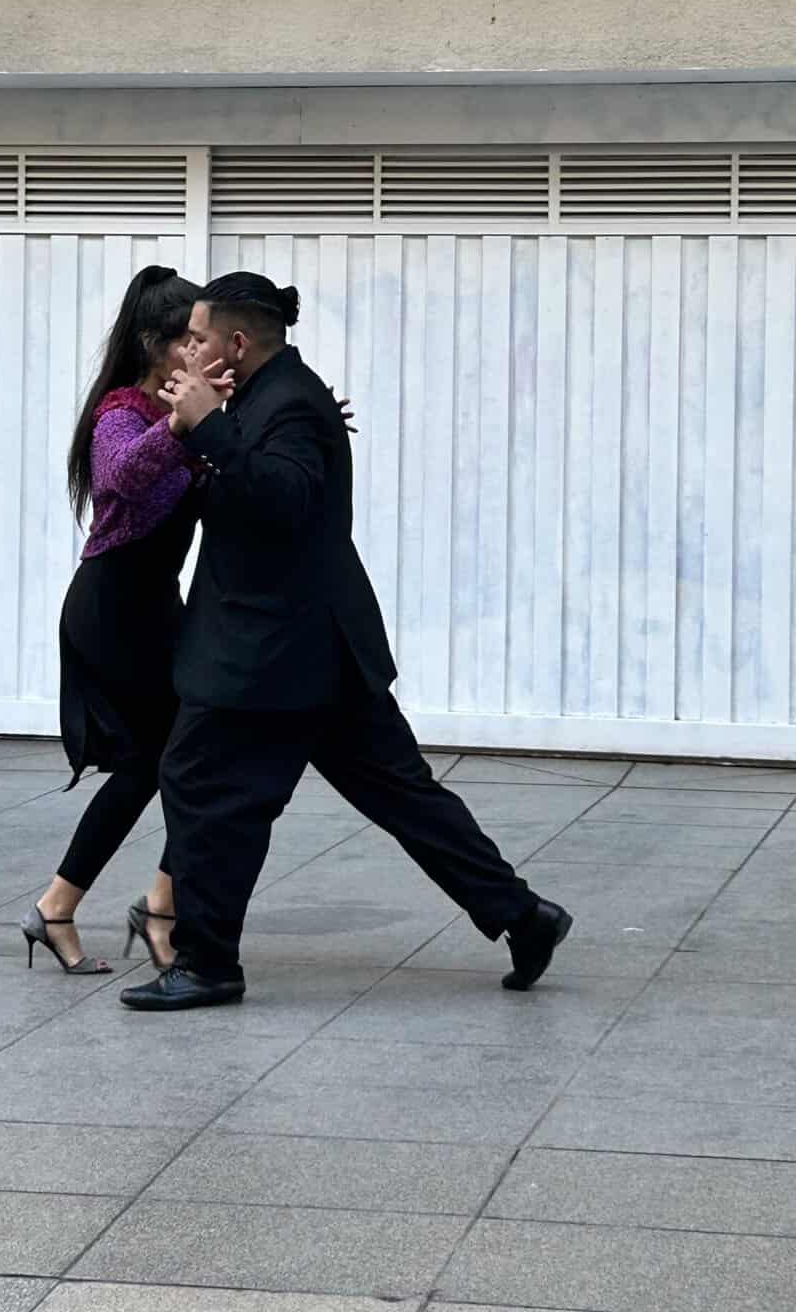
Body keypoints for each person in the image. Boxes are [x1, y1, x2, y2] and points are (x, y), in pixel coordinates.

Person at [120, 270, 572, 1012]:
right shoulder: (269, 397)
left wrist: (210, 427)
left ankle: (206, 964)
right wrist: (208, 426)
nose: (185, 352)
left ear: (235, 342)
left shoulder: (289, 404)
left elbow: (285, 501)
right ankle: (524, 917)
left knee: (203, 787)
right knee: (401, 796)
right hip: (310, 651)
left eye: (197, 338)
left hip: (274, 654)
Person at [20, 265, 204, 975]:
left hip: (155, 603)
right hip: (113, 607)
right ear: (156, 343)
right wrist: (182, 420)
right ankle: (113, 907)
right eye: (191, 338)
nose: (203, 348)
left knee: (183, 758)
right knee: (162, 762)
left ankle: (93, 906)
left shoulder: (179, 403)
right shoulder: (121, 412)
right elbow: (120, 475)